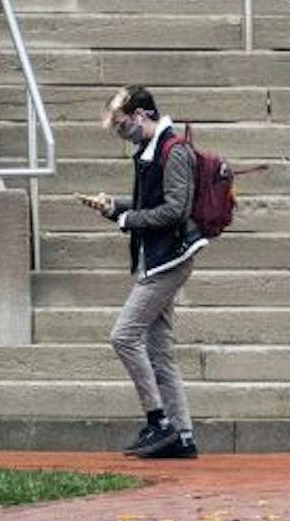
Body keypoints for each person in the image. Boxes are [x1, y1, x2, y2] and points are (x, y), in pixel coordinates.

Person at [84, 85, 208, 460]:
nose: (122, 134)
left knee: (123, 336)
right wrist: (113, 207)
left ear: (141, 116)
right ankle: (182, 436)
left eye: (122, 126)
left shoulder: (175, 151)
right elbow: (148, 205)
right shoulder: (152, 151)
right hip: (157, 257)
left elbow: (175, 210)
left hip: (169, 259)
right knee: (159, 350)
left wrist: (126, 218)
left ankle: (160, 422)